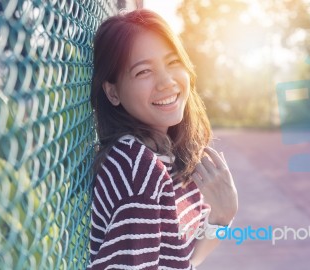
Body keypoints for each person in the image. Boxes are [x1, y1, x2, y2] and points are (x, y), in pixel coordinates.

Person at [88, 9, 238, 269]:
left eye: (172, 62)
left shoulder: (167, 153)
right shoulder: (137, 170)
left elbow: (186, 260)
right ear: (113, 92)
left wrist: (223, 217)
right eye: (143, 71)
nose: (166, 82)